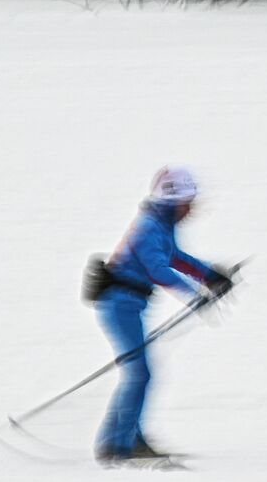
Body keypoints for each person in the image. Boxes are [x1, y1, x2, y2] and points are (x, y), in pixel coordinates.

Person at [93, 165, 233, 466]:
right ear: (172, 201)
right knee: (139, 373)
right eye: (188, 202)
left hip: (128, 306)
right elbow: (158, 269)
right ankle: (117, 445)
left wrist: (212, 277)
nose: (192, 209)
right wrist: (194, 295)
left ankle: (126, 440)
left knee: (139, 373)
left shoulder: (160, 226)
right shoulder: (148, 228)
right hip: (119, 306)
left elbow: (176, 258)